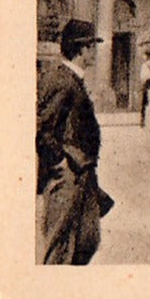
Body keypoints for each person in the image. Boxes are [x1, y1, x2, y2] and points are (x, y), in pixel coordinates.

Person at [37, 19, 112, 264]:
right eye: (92, 46)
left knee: (88, 239)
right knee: (59, 247)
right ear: (82, 49)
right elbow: (43, 130)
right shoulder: (62, 80)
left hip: (84, 174)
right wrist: (60, 163)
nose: (94, 53)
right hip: (70, 175)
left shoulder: (73, 79)